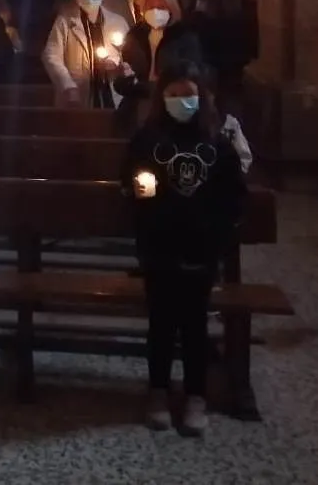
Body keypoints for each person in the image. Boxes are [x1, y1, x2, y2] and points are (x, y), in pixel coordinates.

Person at [123, 61, 247, 437]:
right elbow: (133, 182)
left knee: (195, 324)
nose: (182, 101)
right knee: (160, 322)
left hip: (201, 246)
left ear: (202, 96)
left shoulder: (216, 143)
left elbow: (232, 196)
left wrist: (215, 229)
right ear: (162, 97)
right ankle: (157, 391)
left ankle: (196, 395)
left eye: (188, 94)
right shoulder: (148, 140)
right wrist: (145, 197)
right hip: (159, 243)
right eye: (174, 94)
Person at [114, 0, 206, 127]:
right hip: (138, 104)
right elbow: (122, 81)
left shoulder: (184, 36)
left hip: (171, 104)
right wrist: (124, 76)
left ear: (171, 8)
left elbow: (191, 74)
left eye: (161, 7)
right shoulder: (135, 35)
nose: (155, 11)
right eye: (150, 7)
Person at [42, 0, 131, 108]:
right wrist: (68, 85)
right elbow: (51, 55)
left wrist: (115, 63)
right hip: (78, 93)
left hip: (111, 92)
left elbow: (129, 55)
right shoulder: (65, 21)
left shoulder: (118, 22)